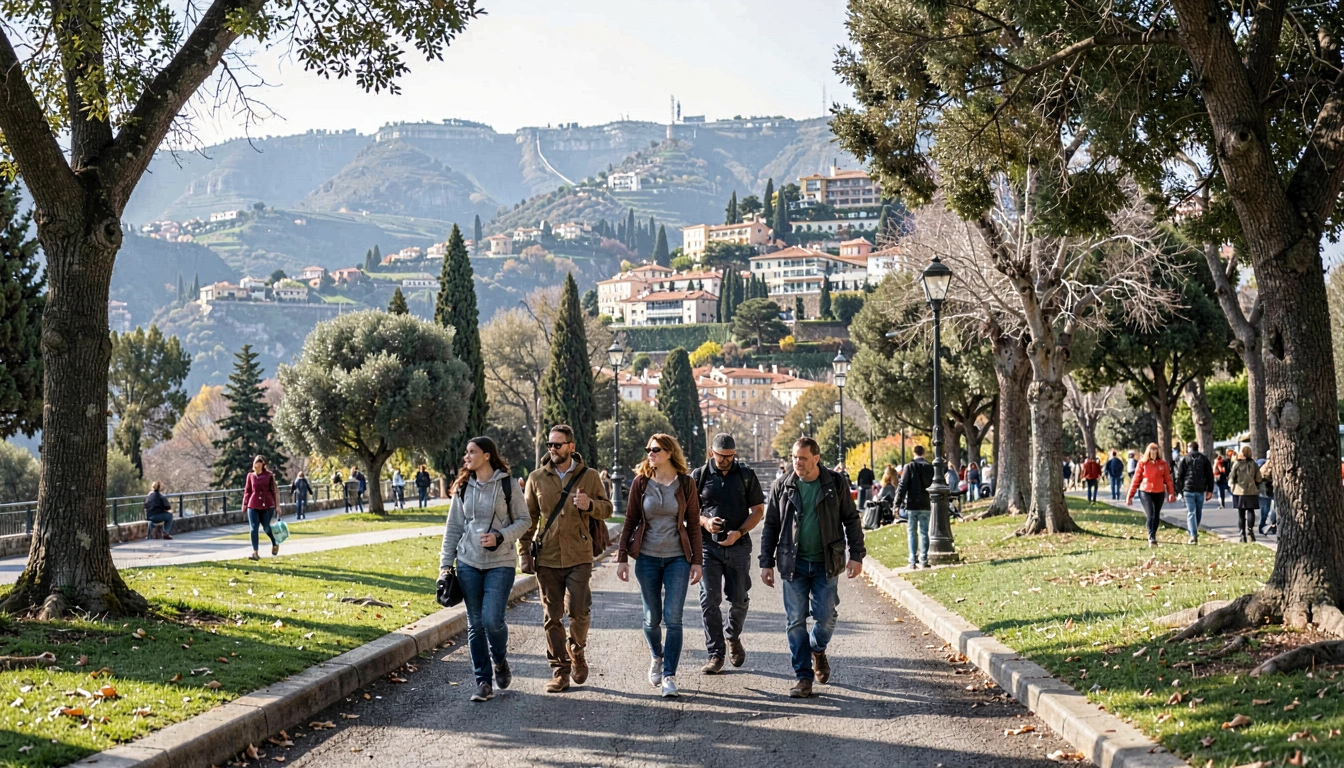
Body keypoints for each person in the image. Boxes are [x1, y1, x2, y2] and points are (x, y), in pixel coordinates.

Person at [760, 437, 866, 699]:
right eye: (794, 457)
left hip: (825, 562)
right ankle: (803, 677)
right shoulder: (782, 485)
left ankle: (817, 649)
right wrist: (766, 562)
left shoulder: (834, 483)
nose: (797, 462)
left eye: (803, 458)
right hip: (793, 563)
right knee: (795, 621)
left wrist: (857, 555)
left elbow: (851, 519)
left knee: (826, 617)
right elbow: (771, 525)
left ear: (816, 459)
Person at [518, 425, 613, 693]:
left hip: (579, 555)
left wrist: (589, 505)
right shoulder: (536, 478)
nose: (552, 449)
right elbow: (528, 519)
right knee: (552, 617)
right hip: (547, 557)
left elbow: (607, 509)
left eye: (557, 445)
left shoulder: (589, 476)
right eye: (549, 445)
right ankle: (560, 671)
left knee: (579, 611)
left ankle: (577, 650)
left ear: (571, 447)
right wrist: (523, 553)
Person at [441, 436, 532, 703]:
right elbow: (453, 528)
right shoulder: (463, 487)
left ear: (487, 455)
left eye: (472, 452)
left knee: (493, 620)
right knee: (475, 623)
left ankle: (500, 661)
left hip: (500, 563)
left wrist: (501, 536)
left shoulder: (507, 484)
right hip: (468, 562)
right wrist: (445, 565)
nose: (466, 456)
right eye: (466, 452)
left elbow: (524, 520)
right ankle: (483, 682)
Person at [617, 433, 704, 698]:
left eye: (655, 449)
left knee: (673, 618)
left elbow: (694, 524)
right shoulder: (641, 483)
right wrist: (622, 557)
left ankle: (669, 675)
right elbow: (630, 520)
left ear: (669, 452)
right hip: (647, 558)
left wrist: (697, 561)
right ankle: (657, 655)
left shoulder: (686, 484)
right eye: (648, 450)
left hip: (678, 558)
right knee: (651, 618)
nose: (650, 454)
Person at [691, 433, 766, 675]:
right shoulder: (699, 476)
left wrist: (739, 532)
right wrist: (705, 522)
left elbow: (758, 510)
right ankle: (715, 653)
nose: (725, 460)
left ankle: (732, 635)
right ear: (711, 453)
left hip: (739, 546)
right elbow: (687, 512)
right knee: (709, 599)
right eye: (721, 456)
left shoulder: (746, 475)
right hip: (708, 548)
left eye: (730, 456)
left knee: (739, 598)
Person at [1126, 443, 1175, 547]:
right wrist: (1130, 495)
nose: (1153, 453)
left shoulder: (1163, 464)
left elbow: (1168, 480)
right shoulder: (1142, 463)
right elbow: (1135, 479)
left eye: (1155, 450)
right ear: (1148, 452)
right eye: (1151, 451)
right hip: (1145, 491)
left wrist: (1171, 493)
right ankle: (1151, 537)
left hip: (1159, 492)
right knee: (1150, 514)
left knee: (1156, 515)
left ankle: (1153, 535)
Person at [895, 445, 935, 568]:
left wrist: (897, 504)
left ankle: (912, 560)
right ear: (923, 452)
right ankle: (924, 558)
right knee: (924, 532)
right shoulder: (930, 467)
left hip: (912, 503)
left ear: (914, 452)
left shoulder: (909, 467)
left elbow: (902, 486)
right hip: (925, 503)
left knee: (912, 531)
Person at [1173, 441, 1215, 545]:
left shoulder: (1185, 459)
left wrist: (1179, 490)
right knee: (1198, 511)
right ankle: (1194, 531)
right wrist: (1210, 490)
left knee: (1191, 512)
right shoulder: (1204, 459)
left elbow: (1179, 476)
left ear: (1189, 448)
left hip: (1188, 489)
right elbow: (1210, 475)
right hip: (1200, 489)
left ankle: (1193, 534)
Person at [244, 455, 281, 560]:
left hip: (267, 505)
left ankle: (275, 542)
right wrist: (245, 504)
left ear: (264, 464)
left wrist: (277, 506)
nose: (258, 464)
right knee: (253, 528)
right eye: (257, 462)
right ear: (254, 464)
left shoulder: (269, 476)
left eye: (260, 462)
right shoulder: (250, 476)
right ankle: (255, 553)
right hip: (253, 505)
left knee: (267, 528)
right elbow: (247, 491)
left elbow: (274, 491)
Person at [1230, 446, 1263, 543]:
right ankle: (1250, 532)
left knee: (1241, 514)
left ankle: (1242, 535)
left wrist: (1232, 486)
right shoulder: (1254, 464)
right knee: (1250, 511)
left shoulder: (1237, 464)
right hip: (1251, 491)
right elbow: (1258, 478)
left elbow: (1232, 477)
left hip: (1239, 491)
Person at [1257, 451, 1276, 536]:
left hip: (1263, 490)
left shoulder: (1262, 464)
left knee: (1265, 510)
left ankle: (1262, 525)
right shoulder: (1273, 464)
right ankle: (1272, 524)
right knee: (1273, 509)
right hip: (1270, 489)